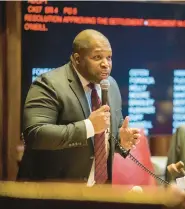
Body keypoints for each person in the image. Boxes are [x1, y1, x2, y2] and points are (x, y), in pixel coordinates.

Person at [17, 29, 141, 185]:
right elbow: (36, 134)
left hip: (98, 191)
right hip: (50, 192)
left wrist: (121, 143)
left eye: (109, 58)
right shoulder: (48, 84)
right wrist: (88, 126)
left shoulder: (111, 85)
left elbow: (102, 142)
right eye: (97, 57)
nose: (105, 64)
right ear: (77, 59)